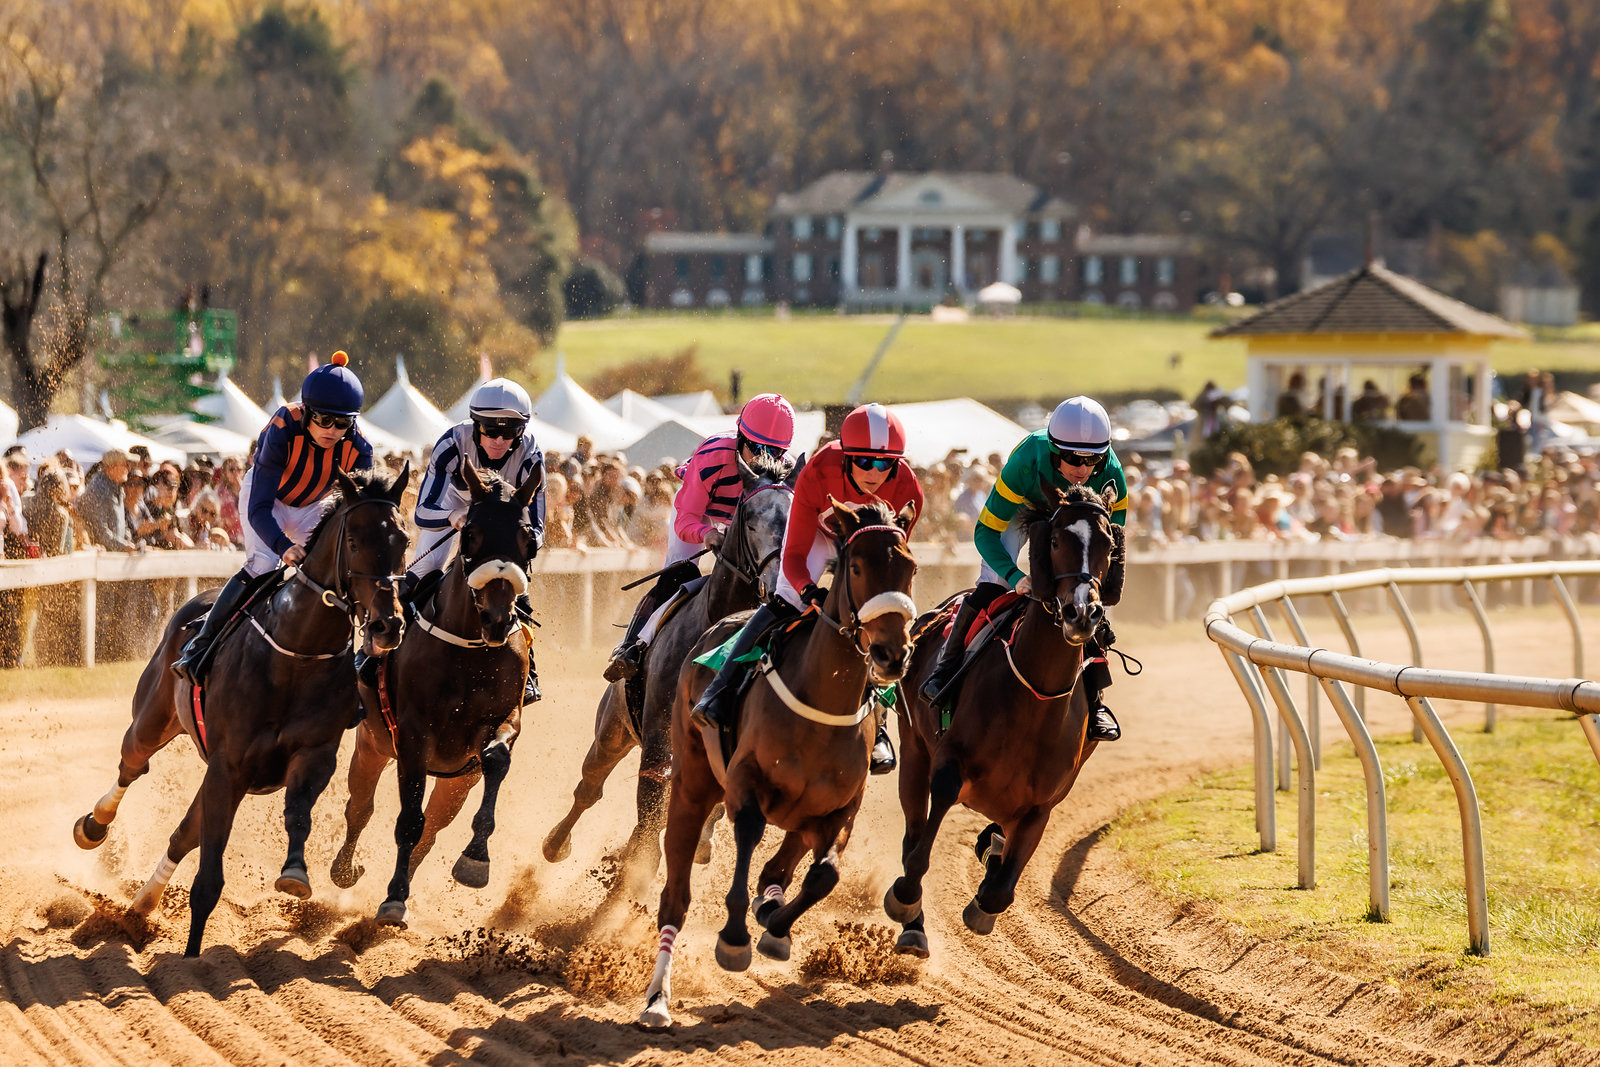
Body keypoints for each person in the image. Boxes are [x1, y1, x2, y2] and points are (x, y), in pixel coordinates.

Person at [690, 402, 922, 775]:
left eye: (885, 464)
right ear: (846, 456)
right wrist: (809, 589)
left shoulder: (909, 489)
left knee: (880, 621)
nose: (875, 473)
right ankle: (720, 692)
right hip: (818, 536)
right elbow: (795, 554)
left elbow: (888, 569)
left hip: (864, 545)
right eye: (864, 462)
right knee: (786, 601)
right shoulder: (818, 471)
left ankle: (877, 726)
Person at [920, 396, 1127, 742]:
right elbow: (985, 532)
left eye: (1092, 459)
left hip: (1078, 521)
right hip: (1021, 514)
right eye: (1072, 457)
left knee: (1091, 608)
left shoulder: (1113, 477)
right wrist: (1015, 577)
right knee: (994, 587)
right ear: (1053, 449)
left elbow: (1112, 543)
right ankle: (947, 667)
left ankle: (1096, 699)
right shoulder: (1028, 458)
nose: (1082, 467)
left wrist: (1100, 594)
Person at [173, 351, 373, 685]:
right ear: (307, 411)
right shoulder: (284, 427)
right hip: (269, 499)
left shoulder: (360, 448)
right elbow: (258, 510)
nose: (333, 430)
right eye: (324, 419)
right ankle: (201, 645)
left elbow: (361, 512)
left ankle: (348, 666)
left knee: (337, 575)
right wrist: (283, 546)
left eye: (343, 422)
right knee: (263, 566)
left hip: (314, 505)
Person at [603, 393, 796, 682]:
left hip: (744, 520)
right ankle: (634, 645)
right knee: (679, 572)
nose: (763, 459)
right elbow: (685, 520)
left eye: (774, 452)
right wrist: (706, 533)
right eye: (757, 447)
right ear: (741, 436)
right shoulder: (713, 455)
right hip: (701, 512)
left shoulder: (784, 472)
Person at [402, 377, 546, 705]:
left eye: (508, 431)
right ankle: (376, 656)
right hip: (452, 511)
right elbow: (423, 511)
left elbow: (537, 523)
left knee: (516, 590)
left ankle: (529, 672)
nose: (498, 439)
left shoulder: (530, 452)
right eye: (489, 429)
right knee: (423, 571)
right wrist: (454, 519)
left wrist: (523, 541)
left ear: (521, 431)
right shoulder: (452, 443)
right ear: (474, 424)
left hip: (501, 521)